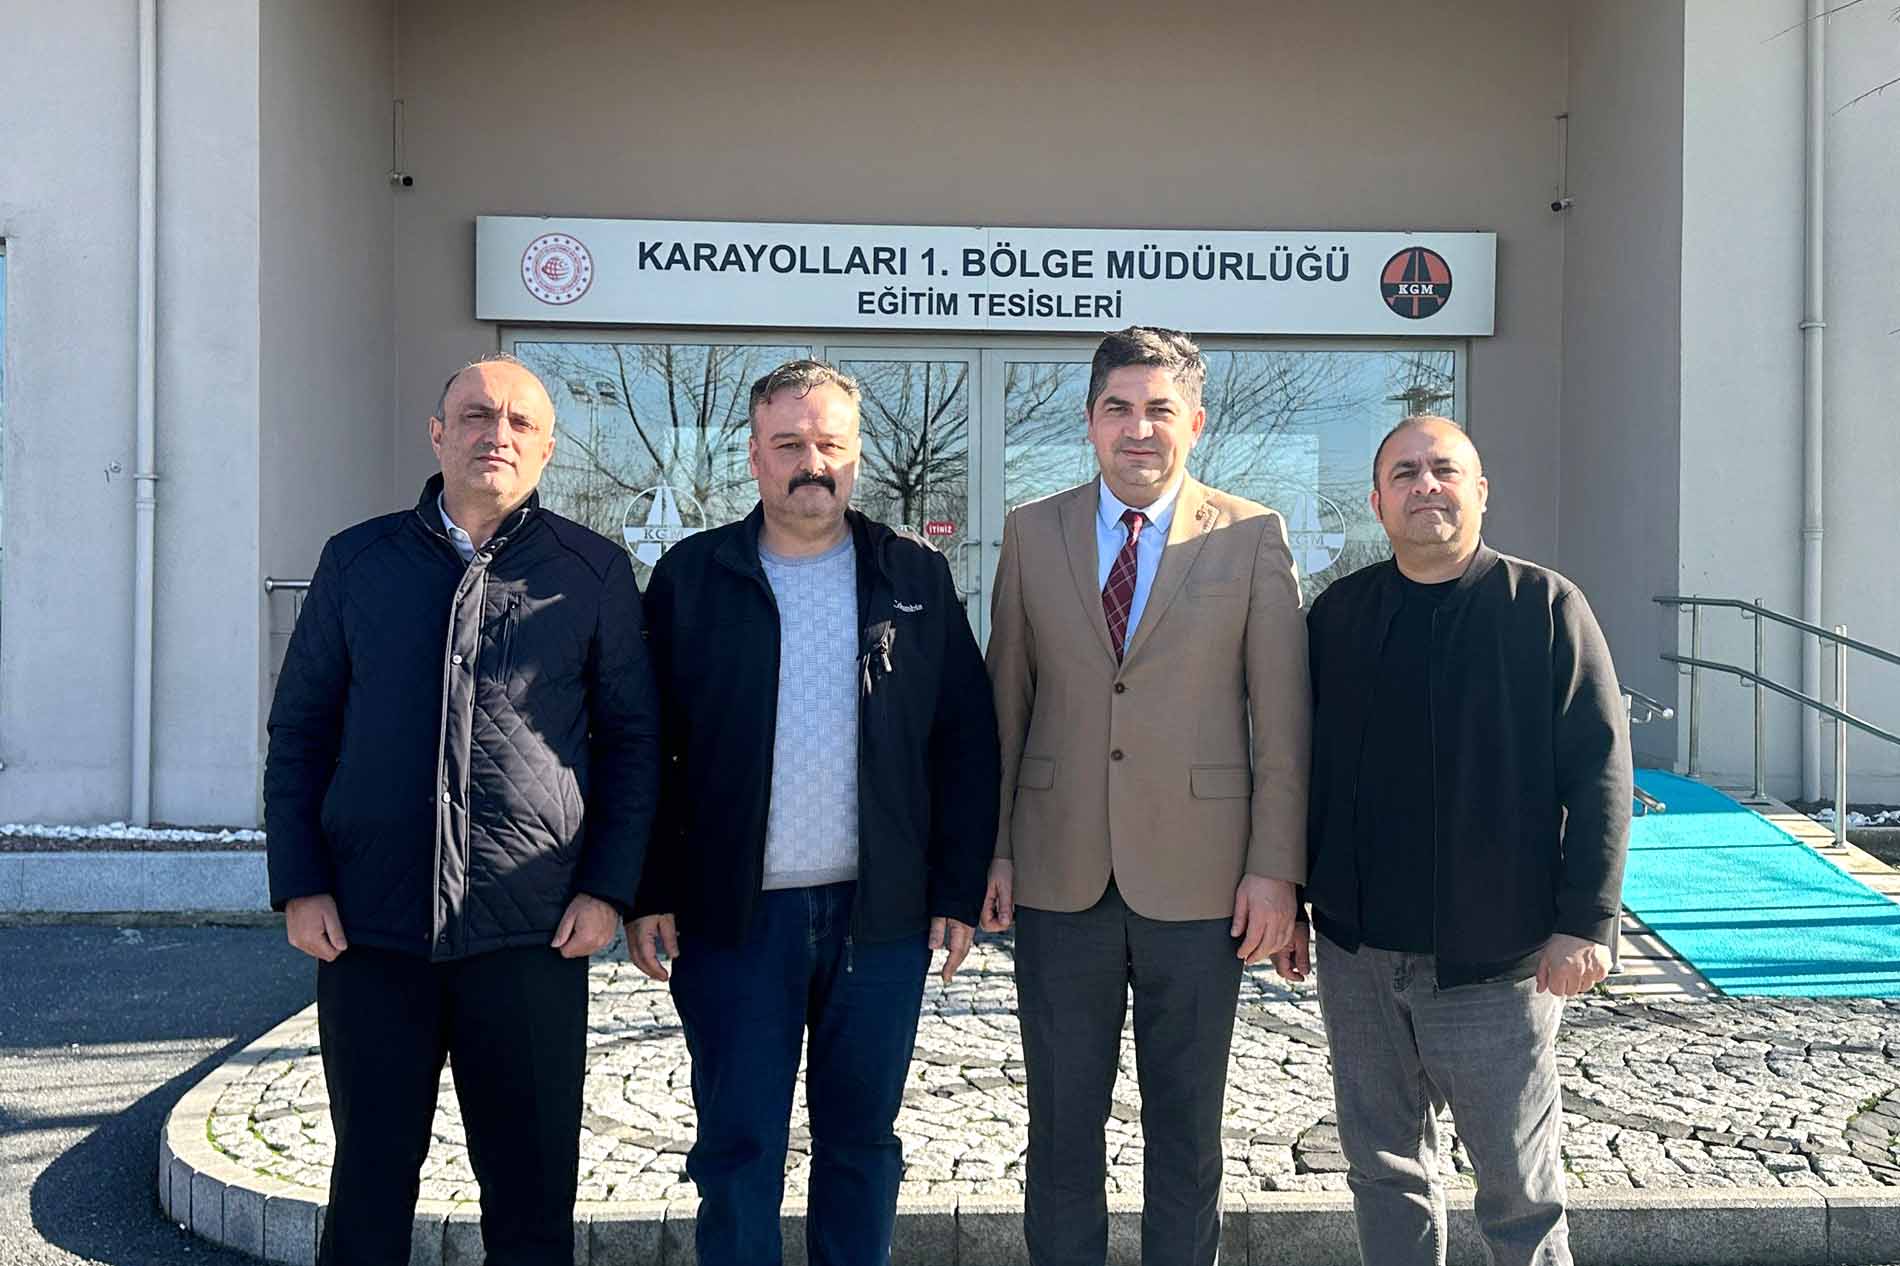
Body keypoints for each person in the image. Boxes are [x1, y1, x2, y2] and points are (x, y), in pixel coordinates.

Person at [264, 353, 660, 1266]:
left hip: (532, 935)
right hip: (371, 931)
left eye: (521, 422)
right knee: (368, 1192)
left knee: (530, 1203)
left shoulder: (593, 571)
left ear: (548, 449)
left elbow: (634, 742)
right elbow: (300, 731)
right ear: (438, 433)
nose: (498, 435)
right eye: (477, 416)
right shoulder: (357, 561)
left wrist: (608, 888)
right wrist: (301, 882)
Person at [627, 359, 1000, 1266]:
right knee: (737, 1148)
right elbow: (644, 746)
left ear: (856, 455)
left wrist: (955, 889)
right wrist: (646, 890)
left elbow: (964, 741)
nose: (811, 463)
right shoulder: (691, 578)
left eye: (829, 443)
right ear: (754, 456)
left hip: (881, 920)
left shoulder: (913, 575)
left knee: (862, 1146)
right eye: (788, 443)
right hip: (732, 920)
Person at [981, 326, 1310, 1266]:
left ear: (1195, 423)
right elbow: (1007, 705)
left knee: (1187, 1135)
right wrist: (995, 849)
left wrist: (1276, 872)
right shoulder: (1030, 531)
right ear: (1089, 421)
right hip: (1058, 874)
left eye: (1160, 410)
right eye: (1118, 409)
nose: (1138, 429)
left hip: (1206, 885)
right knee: (1059, 1132)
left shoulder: (1251, 534)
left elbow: (1283, 724)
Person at [1279, 414, 1631, 1266]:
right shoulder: (1339, 616)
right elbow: (1301, 770)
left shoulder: (1544, 607)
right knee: (1382, 1171)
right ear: (1377, 502)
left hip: (1497, 962)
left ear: (1480, 492)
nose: (1424, 485)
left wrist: (1586, 921)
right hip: (1359, 954)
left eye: (1443, 469)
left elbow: (1600, 772)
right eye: (1403, 473)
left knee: (1519, 1192)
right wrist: (1291, 899)